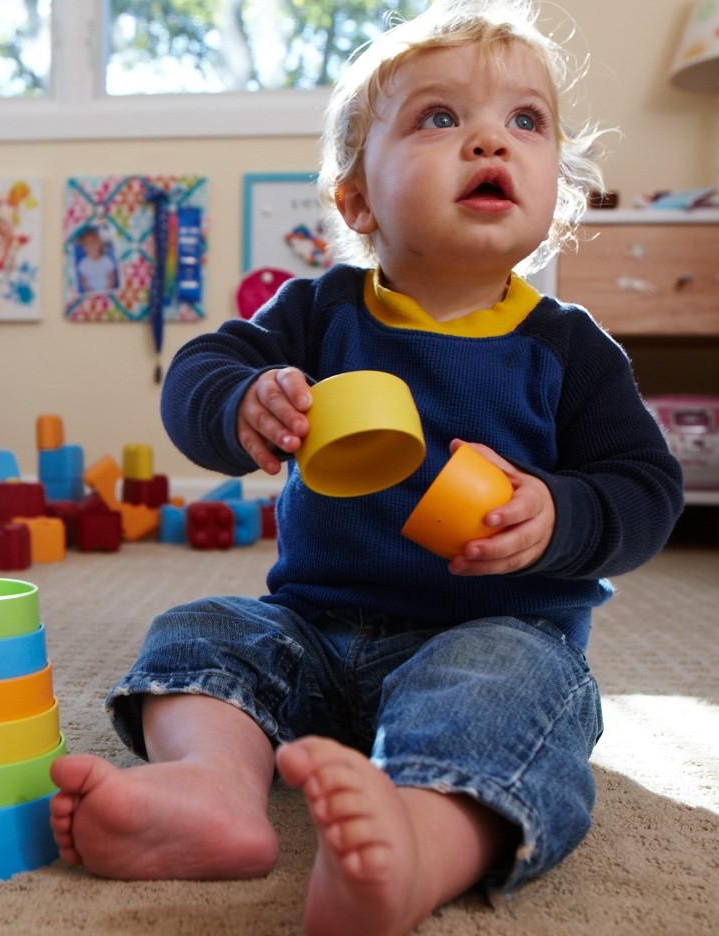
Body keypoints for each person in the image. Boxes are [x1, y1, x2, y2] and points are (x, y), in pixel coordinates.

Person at [49, 2, 684, 933]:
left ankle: (422, 841)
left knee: (511, 695)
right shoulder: (321, 314)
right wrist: (244, 401)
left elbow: (646, 488)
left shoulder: (569, 350)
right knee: (201, 631)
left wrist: (559, 510)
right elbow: (199, 374)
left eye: (525, 121)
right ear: (356, 199)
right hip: (312, 630)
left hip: (494, 631)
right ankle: (212, 792)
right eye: (439, 118)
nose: (485, 143)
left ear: (557, 190)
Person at [76, 225, 119, 293]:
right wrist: (90, 292)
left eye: (94, 242)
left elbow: (111, 277)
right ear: (84, 247)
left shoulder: (107, 261)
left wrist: (107, 291)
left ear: (100, 244)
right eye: (87, 243)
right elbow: (83, 280)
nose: (91, 245)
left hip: (107, 291)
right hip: (91, 292)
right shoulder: (83, 264)